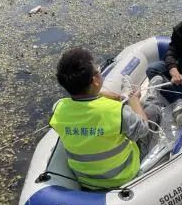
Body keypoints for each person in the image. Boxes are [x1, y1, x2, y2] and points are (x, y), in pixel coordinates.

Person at [49, 48, 161, 190]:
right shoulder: (116, 111)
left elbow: (84, 101)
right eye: (98, 69)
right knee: (151, 111)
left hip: (85, 179)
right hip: (122, 175)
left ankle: (128, 95)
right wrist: (133, 99)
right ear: (95, 80)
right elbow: (143, 128)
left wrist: (118, 97)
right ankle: (152, 95)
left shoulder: (58, 108)